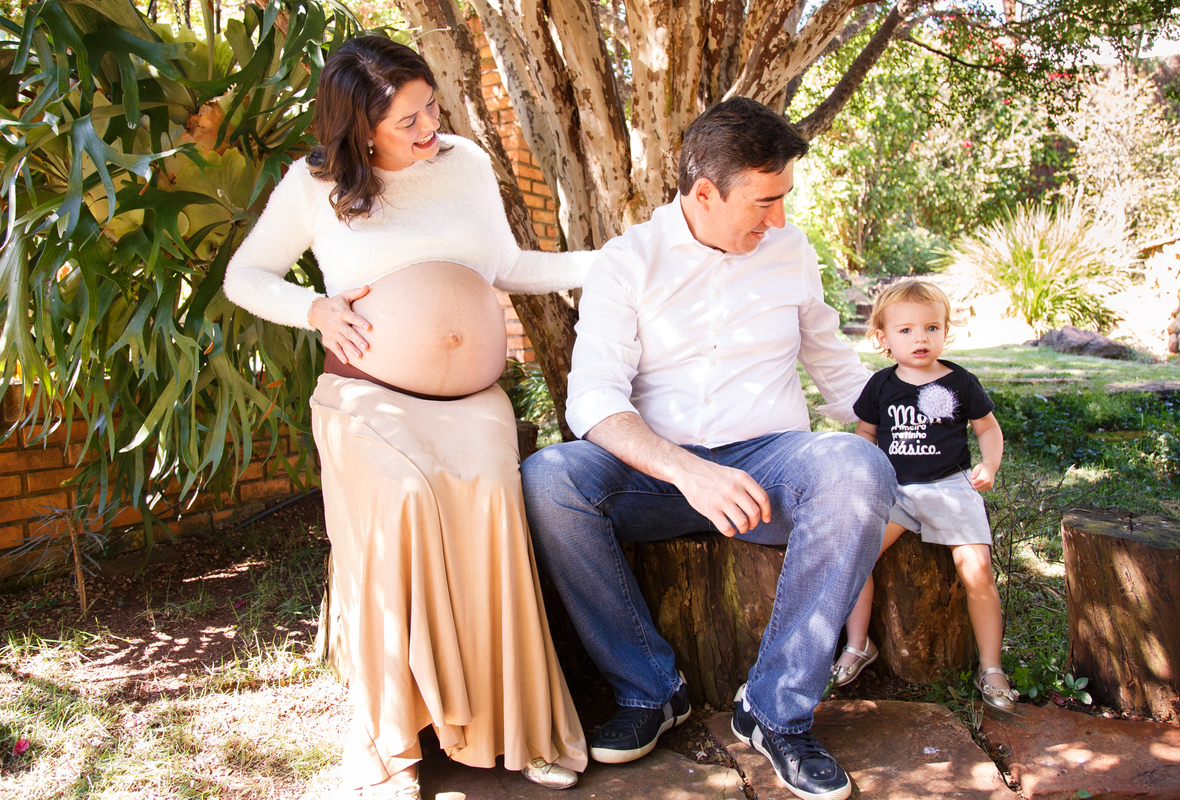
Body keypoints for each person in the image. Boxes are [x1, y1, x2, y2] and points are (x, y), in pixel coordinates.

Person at [223, 35, 589, 800]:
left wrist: (604, 263)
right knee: (402, 511)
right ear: (359, 130)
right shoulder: (312, 184)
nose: (430, 131)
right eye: (408, 123)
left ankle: (515, 728)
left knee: (493, 514)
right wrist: (313, 308)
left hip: (473, 407)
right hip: (369, 399)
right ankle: (397, 745)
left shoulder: (464, 163)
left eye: (432, 109)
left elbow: (507, 267)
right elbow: (244, 276)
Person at [521, 97, 896, 800]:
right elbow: (593, 400)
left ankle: (776, 711)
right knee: (550, 478)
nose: (779, 218)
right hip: (655, 473)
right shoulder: (627, 262)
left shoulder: (791, 252)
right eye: (765, 201)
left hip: (770, 465)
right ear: (703, 193)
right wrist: (688, 472)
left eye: (784, 199)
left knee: (857, 467)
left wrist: (912, 432)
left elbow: (834, 365)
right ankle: (650, 688)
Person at [830, 280, 1016, 713]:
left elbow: (988, 428)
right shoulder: (880, 386)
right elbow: (865, 435)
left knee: (978, 570)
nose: (921, 338)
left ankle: (991, 667)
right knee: (858, 555)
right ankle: (859, 645)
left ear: (946, 331)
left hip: (950, 486)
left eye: (932, 327)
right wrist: (864, 479)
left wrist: (988, 465)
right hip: (895, 489)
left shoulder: (959, 382)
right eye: (907, 330)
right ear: (883, 338)